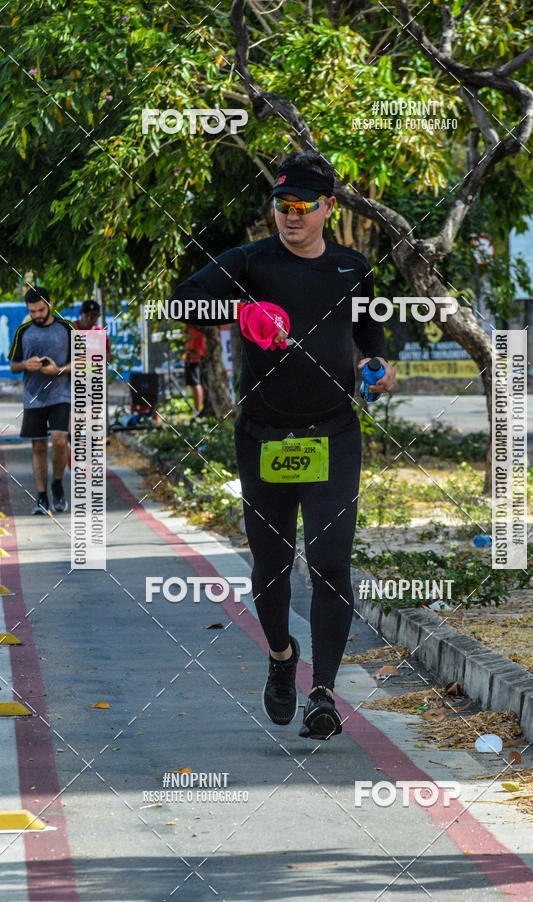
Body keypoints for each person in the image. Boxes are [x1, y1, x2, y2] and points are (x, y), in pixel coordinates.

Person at [168, 151, 396, 740]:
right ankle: (280, 657)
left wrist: (377, 363)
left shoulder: (352, 268)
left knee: (329, 564)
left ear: (328, 208)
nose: (288, 217)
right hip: (264, 436)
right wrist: (243, 310)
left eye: (300, 207)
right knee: (271, 570)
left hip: (334, 435)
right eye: (280, 205)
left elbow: (369, 332)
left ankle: (322, 692)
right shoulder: (251, 261)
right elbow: (181, 300)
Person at [8, 287, 75, 514]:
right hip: (33, 398)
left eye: (40, 309)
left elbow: (85, 362)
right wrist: (26, 365)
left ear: (50, 304)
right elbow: (14, 365)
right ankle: (41, 496)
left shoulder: (67, 328)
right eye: (32, 311)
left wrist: (59, 370)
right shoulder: (23, 331)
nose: (37, 314)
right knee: (38, 446)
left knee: (59, 440)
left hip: (61, 395)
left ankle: (57, 483)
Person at [73, 299, 112, 363]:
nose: (89, 318)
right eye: (87, 315)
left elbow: (108, 357)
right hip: (72, 370)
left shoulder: (100, 333)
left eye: (93, 316)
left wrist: (107, 358)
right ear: (80, 313)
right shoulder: (71, 328)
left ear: (98, 317)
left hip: (93, 371)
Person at [183, 325, 206, 419]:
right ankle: (197, 411)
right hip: (190, 357)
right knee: (194, 385)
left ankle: (198, 411)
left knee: (196, 384)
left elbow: (187, 335)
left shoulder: (196, 320)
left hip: (195, 357)